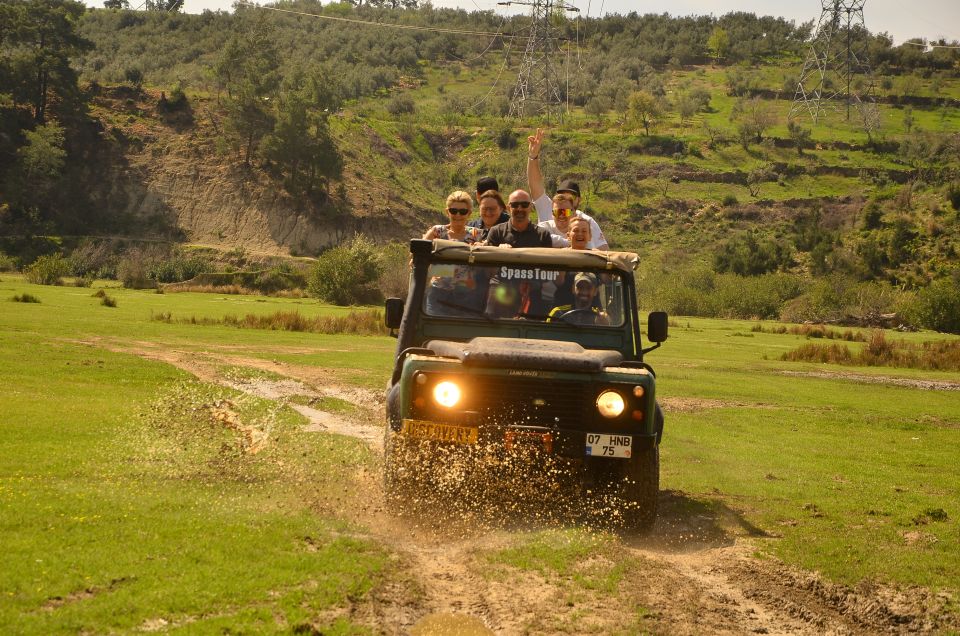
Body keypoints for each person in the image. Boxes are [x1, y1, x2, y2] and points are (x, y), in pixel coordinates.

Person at [526, 128, 610, 250]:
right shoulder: (546, 213)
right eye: (562, 195)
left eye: (571, 197)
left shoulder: (585, 222)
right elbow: (534, 183)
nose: (561, 215)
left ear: (577, 203)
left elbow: (604, 250)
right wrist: (533, 156)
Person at [484, 190, 553, 248]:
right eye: (515, 205)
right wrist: (499, 250)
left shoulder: (543, 235)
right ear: (508, 208)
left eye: (524, 205)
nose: (519, 209)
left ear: (531, 207)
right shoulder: (496, 233)